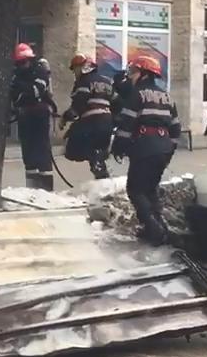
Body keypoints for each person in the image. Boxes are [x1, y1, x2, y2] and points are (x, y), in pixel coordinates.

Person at [112, 56, 181, 246]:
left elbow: (127, 124)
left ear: (143, 74)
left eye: (133, 72)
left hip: (144, 146)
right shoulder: (166, 96)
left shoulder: (137, 94)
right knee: (150, 189)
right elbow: (176, 127)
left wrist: (118, 147)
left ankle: (153, 228)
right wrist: (169, 150)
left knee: (135, 189)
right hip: (163, 148)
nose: (130, 76)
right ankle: (158, 225)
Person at [60, 54, 115, 180]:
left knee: (74, 143)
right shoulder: (107, 82)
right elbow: (117, 102)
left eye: (75, 69)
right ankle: (102, 173)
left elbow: (78, 105)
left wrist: (64, 118)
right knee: (98, 151)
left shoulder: (83, 82)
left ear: (83, 67)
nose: (75, 73)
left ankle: (101, 175)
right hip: (107, 121)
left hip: (92, 122)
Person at [10, 42, 54, 191]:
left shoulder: (40, 72)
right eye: (19, 63)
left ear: (30, 60)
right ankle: (32, 189)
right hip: (25, 117)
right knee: (28, 153)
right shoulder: (15, 76)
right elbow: (14, 97)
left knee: (42, 150)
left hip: (40, 116)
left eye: (23, 62)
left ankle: (46, 190)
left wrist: (21, 90)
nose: (21, 66)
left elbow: (35, 92)